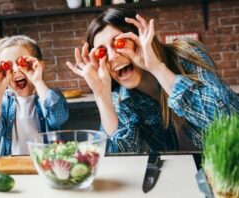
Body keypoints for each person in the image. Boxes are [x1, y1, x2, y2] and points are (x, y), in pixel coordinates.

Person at [66, 8, 239, 153]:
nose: (112, 57)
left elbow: (228, 120)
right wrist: (101, 96)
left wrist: (156, 67)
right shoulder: (122, 99)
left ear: (140, 39)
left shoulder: (187, 54)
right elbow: (120, 159)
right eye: (101, 52)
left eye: (119, 43)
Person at [0, 35, 69, 156]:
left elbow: (59, 118)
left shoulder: (50, 96)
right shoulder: (3, 101)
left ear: (39, 66)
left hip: (48, 163)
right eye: (8, 66)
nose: (15, 70)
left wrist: (38, 81)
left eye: (22, 62)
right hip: (15, 165)